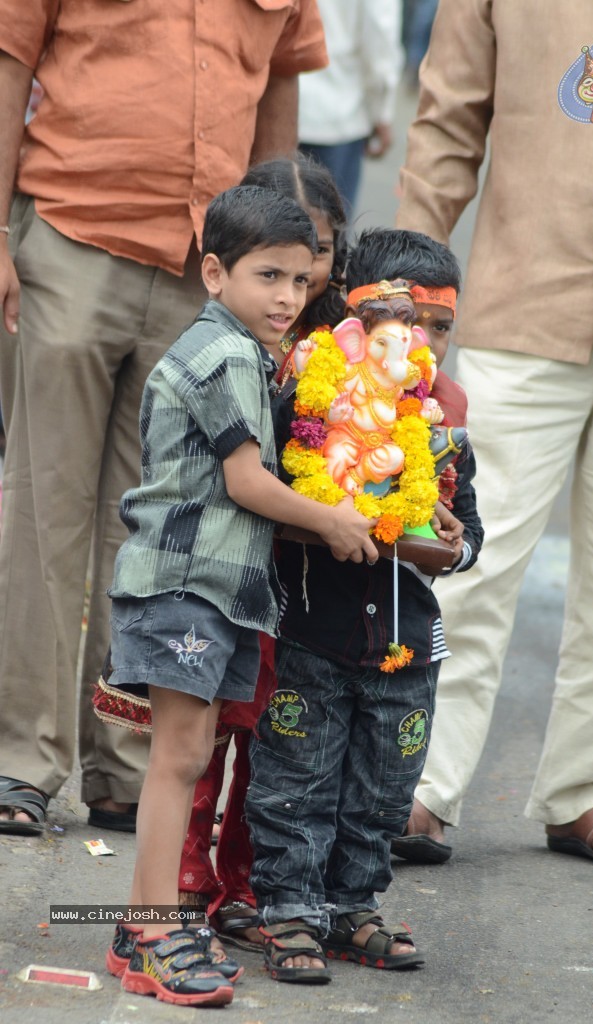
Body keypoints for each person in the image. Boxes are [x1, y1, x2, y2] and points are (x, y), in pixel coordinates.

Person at [0, 1, 328, 837]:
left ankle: (125, 764)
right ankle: (22, 762)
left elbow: (279, 92)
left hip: (206, 274)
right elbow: (10, 58)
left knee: (171, 524)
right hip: (76, 235)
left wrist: (280, 267)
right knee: (47, 506)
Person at [395, 0, 593, 872]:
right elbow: (447, 121)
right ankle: (420, 786)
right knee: (465, 562)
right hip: (523, 310)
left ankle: (582, 794)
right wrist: (401, 286)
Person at [103, 184, 378, 1006]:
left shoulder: (240, 348)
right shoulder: (223, 354)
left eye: (301, 280)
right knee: (180, 761)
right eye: (269, 277)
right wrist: (331, 521)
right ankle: (153, 931)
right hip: (186, 584)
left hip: (216, 592)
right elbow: (247, 481)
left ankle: (140, 929)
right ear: (216, 272)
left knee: (184, 760)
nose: (289, 298)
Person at [244, 276, 481, 984]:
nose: (417, 344)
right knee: (297, 780)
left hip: (406, 652)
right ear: (351, 328)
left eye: (436, 329)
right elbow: (269, 505)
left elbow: (469, 544)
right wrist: (332, 520)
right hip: (314, 633)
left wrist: (437, 529)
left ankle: (354, 909)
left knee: (382, 790)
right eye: (401, 328)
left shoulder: (437, 431)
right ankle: (288, 911)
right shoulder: (306, 403)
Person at [176, 153, 349, 951]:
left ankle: (241, 885)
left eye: (318, 252)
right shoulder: (229, 345)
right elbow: (241, 475)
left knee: (273, 737)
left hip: (300, 582)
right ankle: (181, 889)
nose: (300, 278)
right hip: (225, 568)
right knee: (199, 737)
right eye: (281, 261)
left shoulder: (343, 342)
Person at [298, 0, 403, 216]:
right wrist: (381, 112)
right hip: (339, 109)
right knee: (331, 234)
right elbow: (379, 31)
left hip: (281, 103)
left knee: (272, 233)